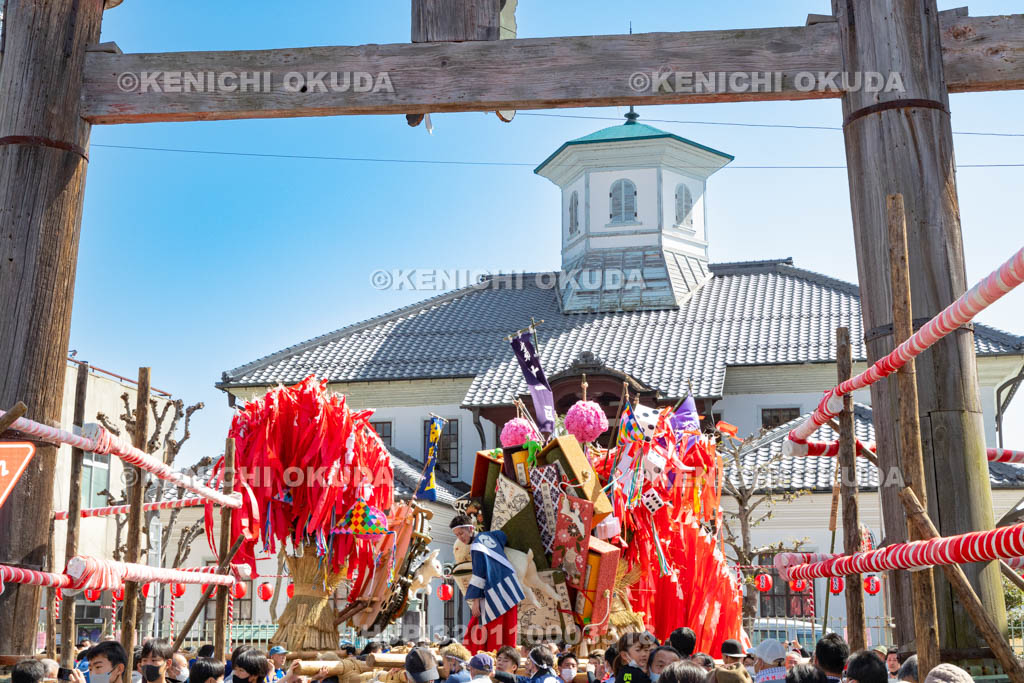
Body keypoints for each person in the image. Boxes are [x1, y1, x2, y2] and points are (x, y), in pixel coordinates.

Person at [451, 514, 524, 653]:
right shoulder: (490, 536)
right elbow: (502, 535)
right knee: (508, 631)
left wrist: (476, 601)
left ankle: (482, 660)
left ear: (471, 528)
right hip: (510, 589)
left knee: (484, 633)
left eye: (461, 533)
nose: (460, 537)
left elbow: (479, 574)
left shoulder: (476, 547)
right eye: (457, 535)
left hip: (494, 593)